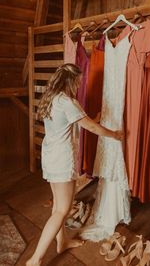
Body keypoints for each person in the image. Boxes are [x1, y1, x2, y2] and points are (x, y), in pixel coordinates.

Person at [26, 63, 123, 266]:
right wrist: (114, 135)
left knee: (58, 207)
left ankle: (62, 242)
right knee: (63, 209)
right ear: (70, 81)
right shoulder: (68, 102)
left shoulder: (51, 98)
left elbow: (82, 120)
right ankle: (35, 260)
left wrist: (93, 118)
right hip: (61, 159)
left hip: (50, 156)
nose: (79, 86)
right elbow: (89, 127)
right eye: (78, 82)